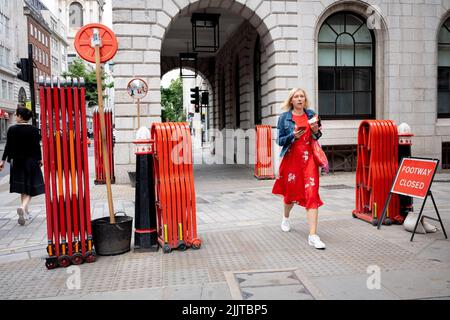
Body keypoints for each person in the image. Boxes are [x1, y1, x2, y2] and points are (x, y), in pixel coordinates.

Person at [272, 88, 326, 249]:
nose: (300, 99)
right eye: (296, 96)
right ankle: (286, 217)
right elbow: (280, 141)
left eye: (302, 96)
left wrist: (316, 131)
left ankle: (313, 235)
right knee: (291, 195)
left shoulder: (312, 115)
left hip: (309, 160)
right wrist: (292, 136)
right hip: (291, 160)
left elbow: (317, 136)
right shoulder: (284, 118)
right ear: (291, 100)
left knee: (312, 193)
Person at [0, 107, 44, 225]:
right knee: (31, 186)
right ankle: (24, 208)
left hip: (17, 162)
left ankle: (25, 213)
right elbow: (37, 146)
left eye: (16, 115)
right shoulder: (34, 130)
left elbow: (8, 146)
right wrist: (40, 159)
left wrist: (3, 160)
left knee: (23, 187)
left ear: (20, 116)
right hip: (31, 162)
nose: (15, 117)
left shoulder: (12, 129)